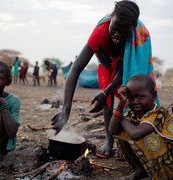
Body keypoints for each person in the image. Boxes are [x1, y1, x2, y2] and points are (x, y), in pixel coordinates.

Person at [51, 0, 157, 160]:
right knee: (107, 104)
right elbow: (75, 69)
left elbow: (129, 72)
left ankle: (125, 142)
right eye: (114, 29)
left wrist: (107, 90)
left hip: (127, 65)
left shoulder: (139, 36)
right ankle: (109, 140)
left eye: (123, 32)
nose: (117, 35)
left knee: (134, 96)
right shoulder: (101, 31)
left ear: (132, 29)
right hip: (107, 63)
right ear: (111, 19)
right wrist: (66, 110)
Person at [109, 74, 173, 179]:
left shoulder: (159, 113)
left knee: (144, 136)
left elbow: (136, 134)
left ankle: (158, 175)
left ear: (153, 96)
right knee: (123, 133)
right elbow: (112, 130)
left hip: (171, 164)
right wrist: (121, 103)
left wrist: (120, 117)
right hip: (153, 161)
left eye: (140, 97)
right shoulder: (132, 114)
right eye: (130, 98)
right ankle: (141, 170)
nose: (134, 101)